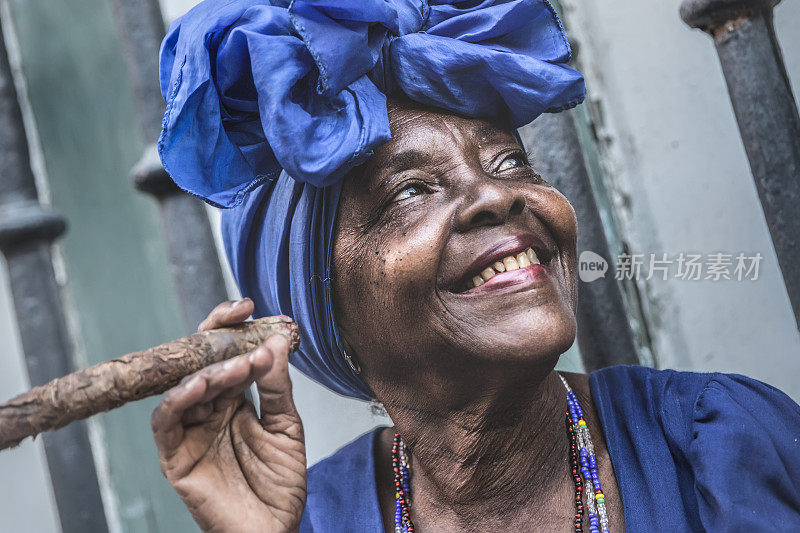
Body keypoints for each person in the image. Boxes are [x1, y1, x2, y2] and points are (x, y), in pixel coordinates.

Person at [151, 0, 800, 531]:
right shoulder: (307, 519)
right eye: (410, 191)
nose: (497, 195)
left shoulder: (723, 448)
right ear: (323, 309)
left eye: (509, 161)